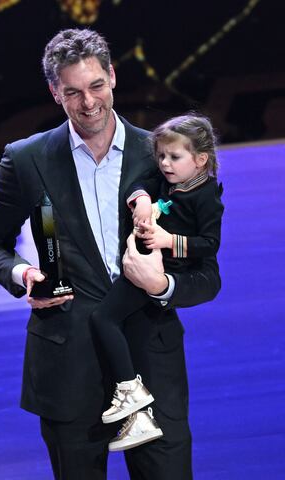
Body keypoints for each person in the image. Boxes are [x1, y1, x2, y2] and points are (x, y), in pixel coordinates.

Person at [0, 28, 221, 480]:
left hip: (152, 362)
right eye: (72, 92)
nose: (88, 103)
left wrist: (163, 285)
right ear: (54, 92)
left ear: (112, 76)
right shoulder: (26, 159)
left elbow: (208, 275)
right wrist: (23, 273)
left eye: (95, 86)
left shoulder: (163, 157)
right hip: (68, 366)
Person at [90, 113, 224, 451]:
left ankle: (129, 392)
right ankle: (137, 416)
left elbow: (210, 244)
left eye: (174, 157)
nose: (165, 163)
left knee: (104, 318)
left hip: (160, 272)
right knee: (110, 321)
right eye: (161, 155)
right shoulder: (169, 180)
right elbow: (141, 183)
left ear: (201, 159)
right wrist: (142, 200)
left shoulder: (206, 196)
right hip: (148, 265)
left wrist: (167, 241)